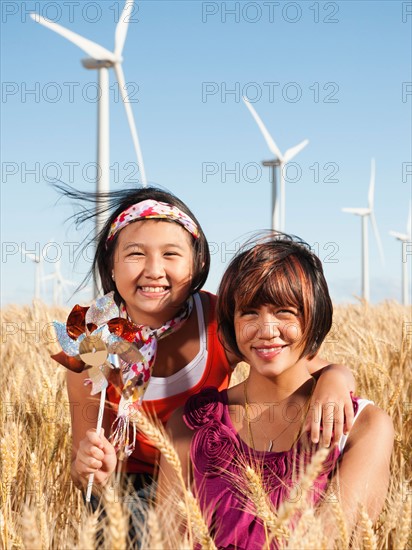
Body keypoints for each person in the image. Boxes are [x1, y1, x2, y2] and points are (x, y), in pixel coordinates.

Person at [53, 186, 355, 501]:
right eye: (135, 253)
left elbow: (306, 365)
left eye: (171, 254)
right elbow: (81, 467)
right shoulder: (90, 342)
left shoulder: (216, 321)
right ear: (111, 266)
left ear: (197, 264)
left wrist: (336, 379)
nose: (154, 270)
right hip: (131, 487)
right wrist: (93, 472)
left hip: (206, 474)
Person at [159, 233, 394, 548]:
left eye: (285, 311)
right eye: (250, 313)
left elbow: (327, 541)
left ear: (315, 317)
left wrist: (337, 375)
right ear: (231, 321)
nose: (267, 330)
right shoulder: (188, 424)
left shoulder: (363, 427)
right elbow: (168, 540)